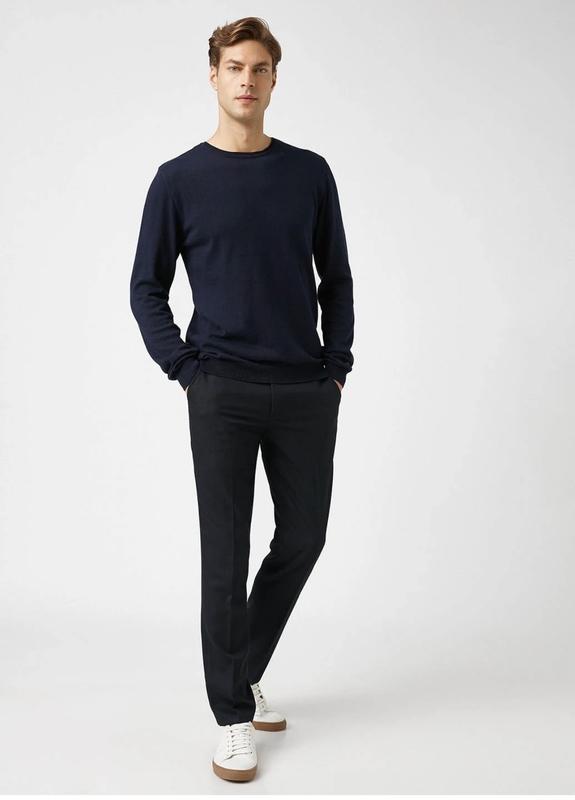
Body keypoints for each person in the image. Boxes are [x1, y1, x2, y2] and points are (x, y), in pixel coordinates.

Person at [129, 16, 354, 783]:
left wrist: (335, 369)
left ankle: (241, 669)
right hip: (219, 389)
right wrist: (184, 368)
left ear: (274, 80)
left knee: (304, 537)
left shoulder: (308, 173)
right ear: (214, 76)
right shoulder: (179, 179)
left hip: (303, 389)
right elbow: (146, 286)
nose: (247, 80)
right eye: (234, 67)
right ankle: (232, 717)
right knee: (224, 556)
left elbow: (336, 277)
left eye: (259, 68)